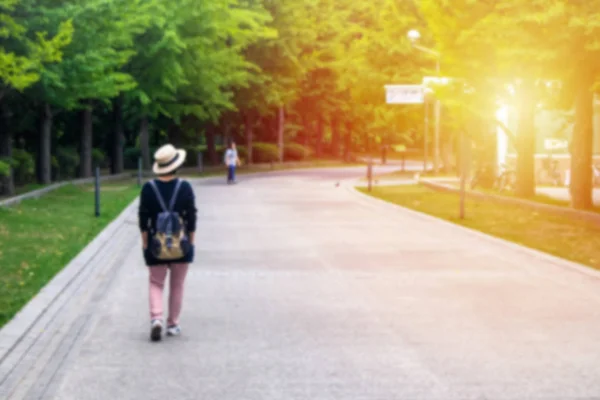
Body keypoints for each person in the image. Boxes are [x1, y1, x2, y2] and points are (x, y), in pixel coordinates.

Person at [138, 144, 197, 341]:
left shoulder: (148, 188)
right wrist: (191, 242)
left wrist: (145, 244)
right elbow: (191, 217)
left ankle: (156, 319)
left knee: (156, 282)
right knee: (177, 284)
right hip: (181, 245)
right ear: (176, 165)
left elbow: (143, 219)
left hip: (156, 244)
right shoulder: (185, 187)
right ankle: (173, 324)